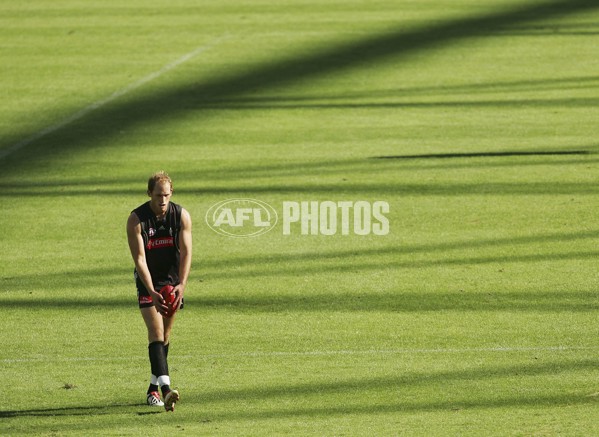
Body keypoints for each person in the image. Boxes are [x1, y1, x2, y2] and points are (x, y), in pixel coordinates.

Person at [126, 171, 192, 412]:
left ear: (171, 193)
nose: (162, 201)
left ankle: (152, 387)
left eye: (166, 195)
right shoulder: (136, 220)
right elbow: (139, 259)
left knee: (165, 336)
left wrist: (182, 284)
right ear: (149, 194)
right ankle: (166, 390)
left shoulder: (181, 216)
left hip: (173, 281)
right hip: (148, 281)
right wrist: (152, 291)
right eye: (157, 196)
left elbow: (186, 252)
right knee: (155, 332)